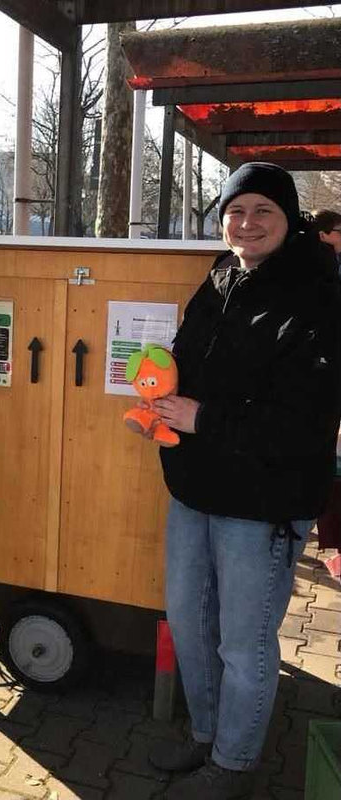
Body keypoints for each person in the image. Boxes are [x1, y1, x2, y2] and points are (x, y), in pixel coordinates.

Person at [144, 163, 341, 799]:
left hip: (262, 503)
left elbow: (306, 417)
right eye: (235, 211)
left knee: (242, 642)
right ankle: (206, 735)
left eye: (263, 211)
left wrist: (203, 417)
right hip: (195, 489)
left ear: (288, 220)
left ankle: (233, 765)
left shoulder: (319, 292)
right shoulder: (223, 276)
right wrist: (160, 401)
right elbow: (186, 358)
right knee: (191, 625)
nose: (246, 223)